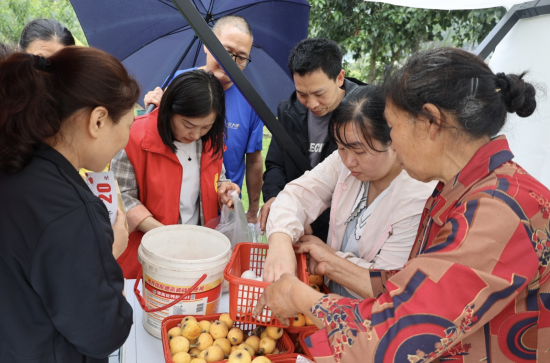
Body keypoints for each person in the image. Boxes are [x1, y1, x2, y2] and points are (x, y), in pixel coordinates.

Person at [255, 47, 550, 363]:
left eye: (392, 128)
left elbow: (398, 337)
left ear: (430, 122)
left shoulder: (497, 211)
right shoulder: (460, 190)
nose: (391, 145)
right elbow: (414, 282)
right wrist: (326, 262)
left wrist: (297, 295)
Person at [0, 47, 137, 362]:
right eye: (128, 125)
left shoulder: (14, 163)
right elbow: (103, 333)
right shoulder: (68, 209)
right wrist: (108, 255)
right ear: (98, 120)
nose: (126, 138)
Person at [263, 85, 435, 296]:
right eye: (341, 148)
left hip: (367, 318)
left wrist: (330, 259)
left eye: (360, 151)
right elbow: (298, 195)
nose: (348, 161)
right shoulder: (342, 163)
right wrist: (280, 239)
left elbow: (387, 284)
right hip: (326, 298)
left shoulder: (417, 196)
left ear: (393, 141)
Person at [112, 70, 241, 278]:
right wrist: (165, 234)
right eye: (188, 125)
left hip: (197, 252)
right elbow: (122, 196)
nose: (196, 134)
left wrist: (223, 189)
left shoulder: (210, 140)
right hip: (146, 256)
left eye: (206, 126)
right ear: (169, 111)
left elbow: (219, 176)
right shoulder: (134, 137)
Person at [144, 15, 263, 224]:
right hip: (171, 210)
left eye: (241, 57)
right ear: (207, 45)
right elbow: (149, 137)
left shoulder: (251, 99)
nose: (231, 63)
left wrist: (253, 210)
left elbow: (254, 160)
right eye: (226, 52)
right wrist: (152, 107)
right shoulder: (177, 82)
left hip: (223, 207)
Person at [260, 38, 365, 243]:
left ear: (340, 77)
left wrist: (306, 213)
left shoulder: (365, 114)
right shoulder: (288, 112)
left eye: (319, 93)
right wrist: (276, 198)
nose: (312, 104)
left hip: (342, 230)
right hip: (295, 224)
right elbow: (276, 165)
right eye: (302, 94)